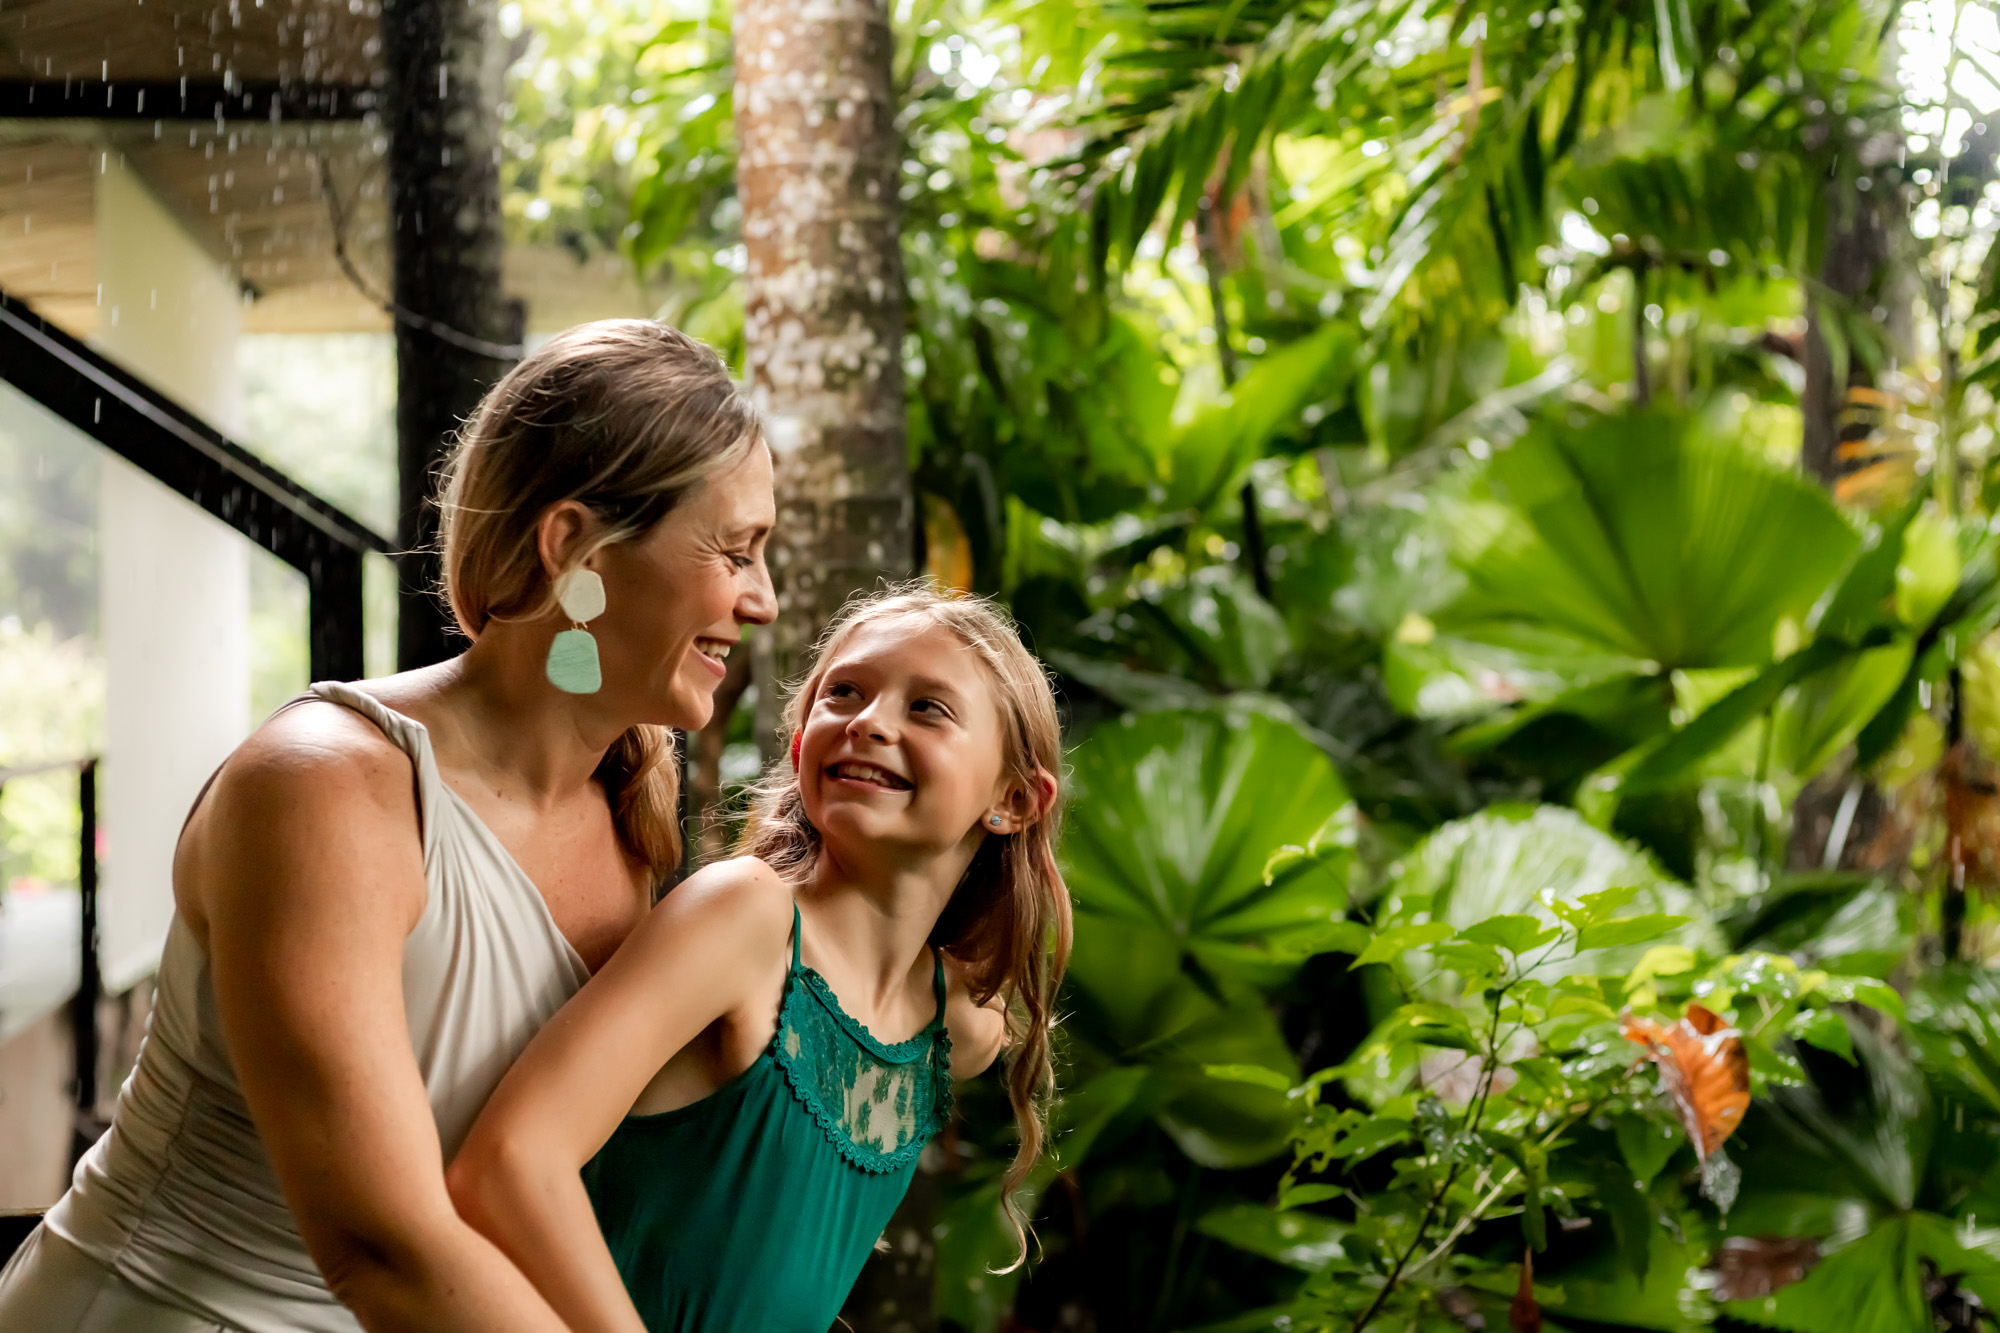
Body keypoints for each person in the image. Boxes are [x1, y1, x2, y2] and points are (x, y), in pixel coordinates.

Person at [0, 320, 777, 1333]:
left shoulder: (632, 810)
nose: (762, 601)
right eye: (735, 551)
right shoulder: (324, 789)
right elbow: (380, 1244)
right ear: (572, 546)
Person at [445, 586, 1072, 1333]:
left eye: (928, 707)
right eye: (844, 693)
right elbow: (507, 1163)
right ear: (803, 744)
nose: (868, 722)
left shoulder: (958, 1029)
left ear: (1014, 799)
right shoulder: (746, 918)